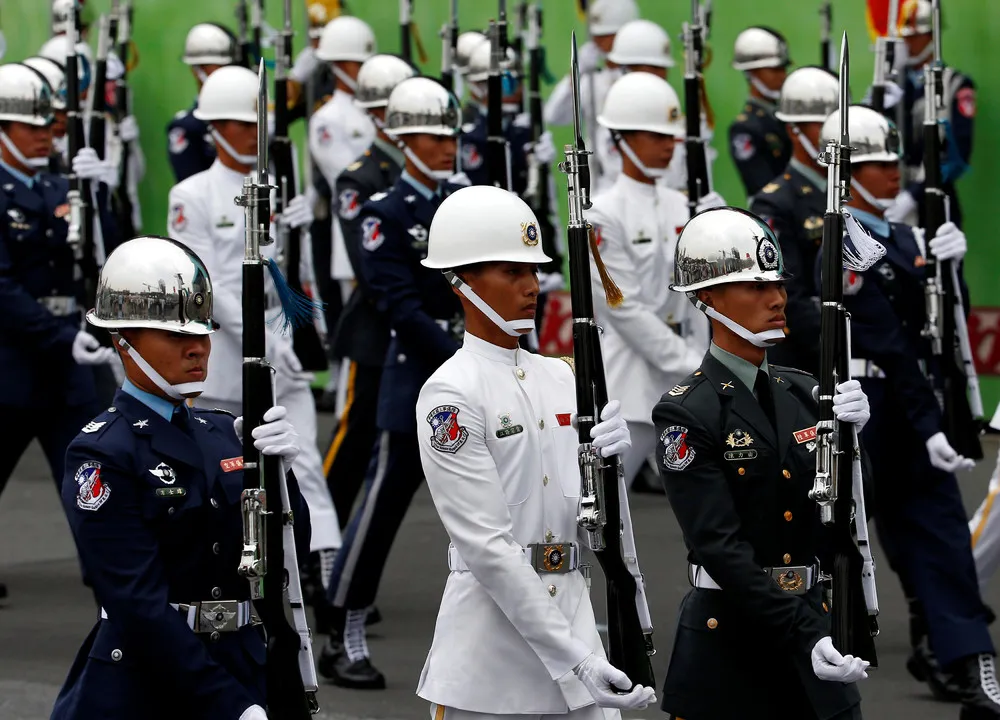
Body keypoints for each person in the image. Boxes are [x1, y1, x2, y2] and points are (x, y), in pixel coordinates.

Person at [414, 184, 656, 720]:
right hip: (490, 661)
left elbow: (605, 526)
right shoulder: (450, 394)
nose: (531, 286)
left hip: (575, 621)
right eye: (511, 272)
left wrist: (634, 625)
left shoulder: (562, 377)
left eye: (534, 271)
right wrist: (576, 658)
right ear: (461, 280)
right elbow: (488, 548)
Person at [50, 235, 310, 720]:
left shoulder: (222, 433)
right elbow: (138, 605)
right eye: (176, 336)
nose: (198, 349)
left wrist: (283, 481)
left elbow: (284, 562)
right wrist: (231, 706)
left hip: (241, 663)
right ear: (123, 341)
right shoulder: (102, 452)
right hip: (151, 683)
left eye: (203, 333)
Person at [654, 206, 871, 719]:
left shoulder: (807, 393)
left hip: (817, 642)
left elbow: (850, 518)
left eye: (776, 283)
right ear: (708, 298)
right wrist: (805, 632)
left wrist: (856, 446)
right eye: (754, 286)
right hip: (730, 653)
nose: (777, 298)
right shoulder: (686, 411)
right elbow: (720, 547)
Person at [820, 105, 1000, 714]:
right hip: (853, 403)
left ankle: (965, 652)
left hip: (907, 402)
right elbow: (885, 335)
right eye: (875, 164)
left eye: (894, 160)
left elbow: (936, 331)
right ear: (843, 172)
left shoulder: (904, 235)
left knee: (940, 529)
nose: (892, 173)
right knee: (836, 536)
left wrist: (950, 269)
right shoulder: (830, 235)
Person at [166, 65, 342, 569]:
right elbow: (204, 283)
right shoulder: (192, 195)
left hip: (283, 333)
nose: (253, 132)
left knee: (302, 457)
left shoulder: (280, 183)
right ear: (215, 129)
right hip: (225, 350)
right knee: (226, 464)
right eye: (241, 124)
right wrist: (262, 338)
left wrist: (309, 327)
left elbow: (298, 270)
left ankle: (321, 564)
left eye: (257, 121)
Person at [321, 76, 463, 688]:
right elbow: (397, 304)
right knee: (381, 507)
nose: (444, 145)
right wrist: (462, 354)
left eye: (449, 133)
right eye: (430, 136)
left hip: (475, 363)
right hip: (418, 370)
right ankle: (342, 630)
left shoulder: (466, 202)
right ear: (403, 141)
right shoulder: (385, 212)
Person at [0, 63, 116, 601]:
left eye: (51, 124)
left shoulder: (57, 183)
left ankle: (115, 609)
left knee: (96, 498)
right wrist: (60, 336)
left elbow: (104, 259)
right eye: (33, 125)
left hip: (69, 368)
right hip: (12, 365)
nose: (47, 132)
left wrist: (100, 196)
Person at [586, 71, 710, 492]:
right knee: (603, 508)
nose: (668, 146)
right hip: (633, 386)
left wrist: (714, 223)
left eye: (671, 137)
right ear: (621, 139)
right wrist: (694, 367)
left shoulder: (685, 204)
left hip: (693, 374)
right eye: (655, 135)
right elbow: (624, 308)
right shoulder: (601, 215)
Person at [323, 54, 414, 527]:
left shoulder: (429, 175)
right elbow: (372, 267)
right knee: (355, 441)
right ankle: (322, 541)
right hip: (379, 331)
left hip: (419, 326)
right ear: (376, 116)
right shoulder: (359, 178)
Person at [751, 66, 839, 375]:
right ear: (793, 130)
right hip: (811, 360)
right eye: (822, 124)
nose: (833, 133)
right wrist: (841, 347)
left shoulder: (850, 193)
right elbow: (791, 296)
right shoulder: (774, 202)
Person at [883, 0, 976, 229]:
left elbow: (957, 156)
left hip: (936, 198)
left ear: (931, 37)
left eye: (915, 37)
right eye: (905, 37)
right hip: (894, 194)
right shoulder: (895, 85)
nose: (908, 43)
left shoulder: (955, 85)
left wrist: (914, 195)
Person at [308, 14, 377, 313]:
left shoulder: (375, 110)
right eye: (356, 63)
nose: (363, 70)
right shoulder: (327, 119)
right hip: (353, 232)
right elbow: (348, 176)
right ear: (337, 65)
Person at [167, 23, 239, 183]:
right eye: (218, 66)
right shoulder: (187, 127)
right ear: (197, 70)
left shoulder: (249, 118)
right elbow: (191, 186)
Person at [729, 26, 792, 202]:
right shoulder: (745, 129)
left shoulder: (783, 116)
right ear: (752, 73)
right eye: (774, 70)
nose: (782, 76)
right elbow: (761, 185)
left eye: (783, 68)